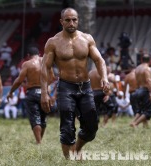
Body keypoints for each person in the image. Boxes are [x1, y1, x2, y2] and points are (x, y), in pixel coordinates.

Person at [40, 8, 110, 159]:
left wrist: (104, 77)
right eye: (67, 20)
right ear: (61, 21)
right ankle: (69, 161)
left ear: (78, 20)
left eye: (74, 20)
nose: (71, 23)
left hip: (85, 86)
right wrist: (44, 93)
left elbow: (99, 60)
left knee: (91, 127)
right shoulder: (53, 42)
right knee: (67, 127)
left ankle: (77, 149)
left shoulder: (87, 39)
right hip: (65, 87)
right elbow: (45, 67)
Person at [7, 47, 50, 144]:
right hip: (44, 92)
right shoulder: (46, 61)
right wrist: (46, 87)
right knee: (43, 119)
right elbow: (53, 77)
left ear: (28, 55)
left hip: (32, 92)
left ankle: (38, 142)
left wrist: (11, 92)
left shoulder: (27, 64)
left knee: (35, 118)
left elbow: (19, 80)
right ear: (39, 54)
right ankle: (39, 141)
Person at [130, 54, 151, 128]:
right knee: (149, 111)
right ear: (150, 60)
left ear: (141, 60)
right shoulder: (147, 68)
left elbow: (137, 81)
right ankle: (135, 123)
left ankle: (142, 125)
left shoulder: (137, 68)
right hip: (145, 90)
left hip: (138, 90)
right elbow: (148, 80)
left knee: (141, 110)